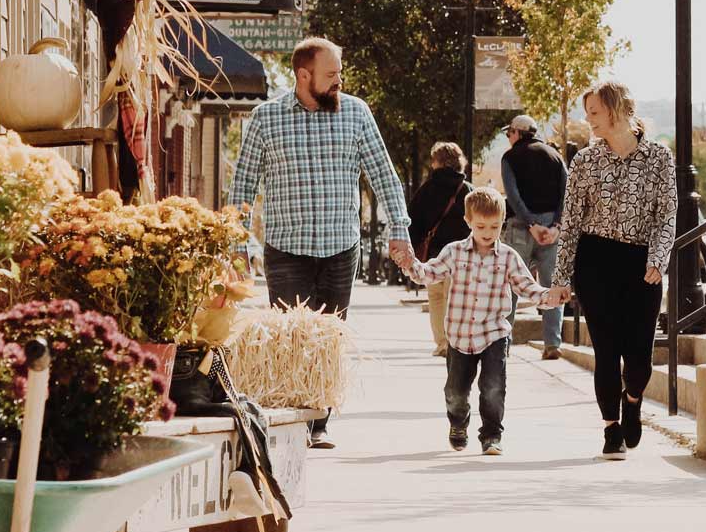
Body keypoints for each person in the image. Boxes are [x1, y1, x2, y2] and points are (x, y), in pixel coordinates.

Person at [228, 36, 411, 450]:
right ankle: (294, 419)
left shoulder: (356, 114)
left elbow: (383, 174)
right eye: (330, 76)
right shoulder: (265, 118)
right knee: (293, 338)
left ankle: (319, 421)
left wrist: (399, 226)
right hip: (286, 247)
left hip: (339, 247)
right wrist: (237, 242)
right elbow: (242, 186)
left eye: (339, 74)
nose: (338, 83)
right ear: (303, 75)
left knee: (327, 338)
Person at [542, 80, 676, 461]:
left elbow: (667, 214)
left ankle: (632, 400)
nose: (590, 121)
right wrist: (562, 279)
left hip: (641, 264)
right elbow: (571, 223)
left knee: (639, 361)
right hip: (595, 261)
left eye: (595, 113)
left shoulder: (659, 158)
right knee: (606, 351)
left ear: (616, 111)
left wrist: (658, 258)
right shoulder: (584, 161)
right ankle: (611, 429)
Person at [405, 187, 547, 456]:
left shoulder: (507, 257)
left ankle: (492, 435)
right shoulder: (454, 252)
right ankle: (458, 423)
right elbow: (429, 273)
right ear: (468, 222)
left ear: (502, 223)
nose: (487, 232)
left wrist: (548, 296)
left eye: (494, 226)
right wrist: (411, 264)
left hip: (494, 332)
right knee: (456, 391)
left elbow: (527, 286)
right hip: (460, 335)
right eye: (481, 225)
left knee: (493, 386)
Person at [499, 114, 569, 359]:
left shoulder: (509, 158)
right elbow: (566, 193)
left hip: (520, 227)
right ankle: (552, 343)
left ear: (518, 133)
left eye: (509, 133)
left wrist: (530, 223)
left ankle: (504, 342)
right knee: (552, 287)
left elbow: (512, 195)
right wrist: (556, 226)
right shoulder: (555, 156)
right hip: (552, 230)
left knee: (511, 286)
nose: (508, 137)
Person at [407, 142, 473, 358]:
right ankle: (456, 342)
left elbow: (413, 220)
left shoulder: (426, 189)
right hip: (462, 254)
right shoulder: (467, 189)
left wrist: (414, 249)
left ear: (438, 162)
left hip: (434, 254)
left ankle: (442, 343)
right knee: (456, 298)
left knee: (436, 298)